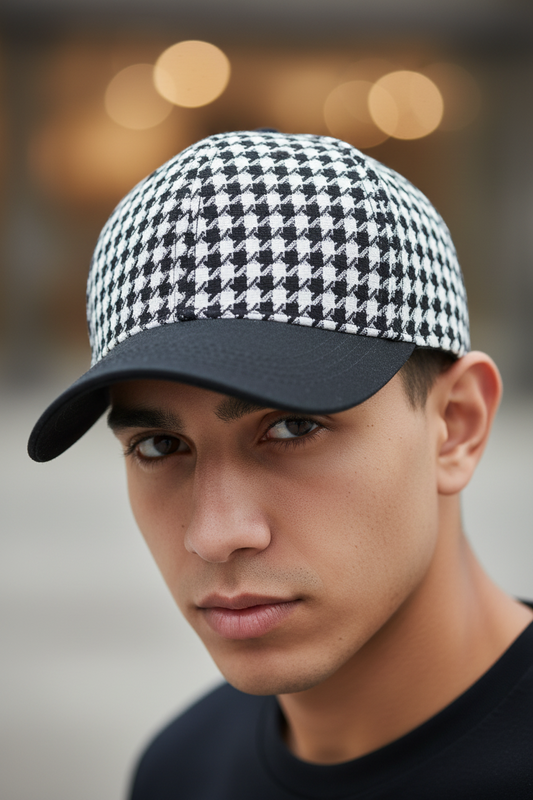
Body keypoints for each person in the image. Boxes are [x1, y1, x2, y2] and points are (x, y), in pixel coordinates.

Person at [28, 130, 533, 799]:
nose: (215, 534)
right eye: (159, 445)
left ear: (455, 426)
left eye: (293, 427)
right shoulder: (180, 770)